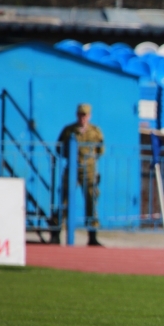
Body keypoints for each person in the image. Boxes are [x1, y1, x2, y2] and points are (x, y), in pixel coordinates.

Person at [55, 103, 104, 246]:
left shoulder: (95, 132)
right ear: (77, 115)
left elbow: (100, 150)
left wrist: (89, 161)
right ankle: (56, 233)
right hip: (72, 169)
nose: (82, 118)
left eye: (85, 115)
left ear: (89, 116)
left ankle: (92, 235)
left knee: (91, 201)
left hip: (89, 171)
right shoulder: (69, 131)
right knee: (65, 201)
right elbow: (59, 148)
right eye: (80, 115)